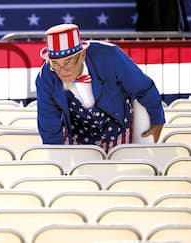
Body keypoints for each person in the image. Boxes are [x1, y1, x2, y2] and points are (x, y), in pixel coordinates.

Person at [35, 23, 165, 153]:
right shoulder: (45, 78)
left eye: (68, 62)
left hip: (119, 132)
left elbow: (143, 88)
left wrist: (157, 119)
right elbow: (49, 123)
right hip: (79, 139)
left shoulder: (110, 56)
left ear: (82, 55)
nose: (63, 71)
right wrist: (58, 157)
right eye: (56, 64)